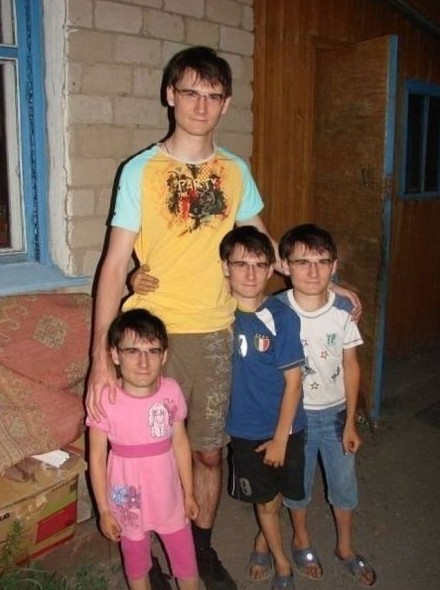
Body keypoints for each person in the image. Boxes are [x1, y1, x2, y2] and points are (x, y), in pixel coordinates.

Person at [87, 44, 361, 590]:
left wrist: (321, 280)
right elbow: (114, 263)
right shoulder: (140, 170)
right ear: (170, 95)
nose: (201, 105)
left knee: (209, 454)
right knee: (142, 452)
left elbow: (262, 243)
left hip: (216, 332)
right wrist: (100, 357)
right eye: (190, 92)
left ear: (227, 104)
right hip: (152, 334)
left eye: (213, 95)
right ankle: (143, 553)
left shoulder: (235, 171)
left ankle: (199, 551)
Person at [251, 223, 376, 587]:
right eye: (302, 262)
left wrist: (350, 421)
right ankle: (300, 540)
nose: (313, 271)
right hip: (296, 418)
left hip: (336, 414)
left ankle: (345, 547)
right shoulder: (273, 310)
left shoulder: (343, 309)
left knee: (344, 485)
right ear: (285, 266)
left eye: (322, 262)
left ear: (333, 266)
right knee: (297, 487)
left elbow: (351, 364)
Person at [219, 226, 306, 590]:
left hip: (287, 426)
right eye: (241, 264)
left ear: (272, 269)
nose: (251, 274)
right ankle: (282, 564)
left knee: (280, 493)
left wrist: (281, 439)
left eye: (259, 265)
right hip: (246, 430)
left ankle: (262, 540)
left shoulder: (282, 316)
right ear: (225, 267)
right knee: (265, 499)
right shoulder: (215, 314)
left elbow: (294, 383)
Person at [87, 309, 199, 590]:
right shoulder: (104, 399)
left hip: (169, 497)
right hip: (127, 501)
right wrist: (104, 510)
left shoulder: (171, 391)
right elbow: (97, 457)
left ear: (164, 356)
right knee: (136, 564)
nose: (143, 362)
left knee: (186, 562)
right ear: (115, 355)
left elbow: (181, 443)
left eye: (152, 351)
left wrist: (189, 492)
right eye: (132, 351)